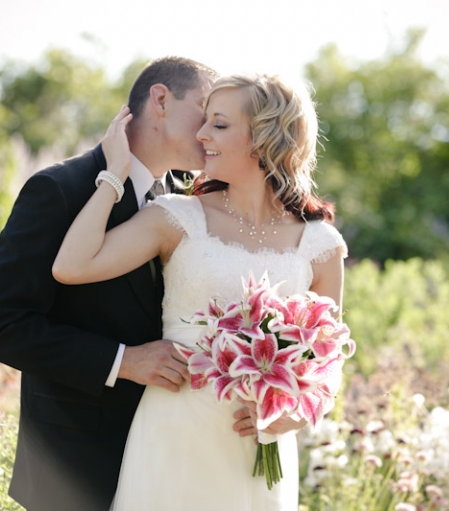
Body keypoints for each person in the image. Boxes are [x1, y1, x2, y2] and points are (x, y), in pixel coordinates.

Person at [53, 74, 348, 510]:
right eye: (205, 121)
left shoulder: (319, 243)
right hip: (173, 429)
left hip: (256, 444)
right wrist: (112, 175)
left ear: (265, 136)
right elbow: (71, 267)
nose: (201, 134)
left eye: (220, 124)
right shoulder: (176, 216)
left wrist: (289, 417)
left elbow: (327, 363)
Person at [0, 56, 218, 511]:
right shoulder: (60, 189)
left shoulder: (189, 204)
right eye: (206, 109)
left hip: (169, 458)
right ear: (160, 99)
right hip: (74, 466)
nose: (210, 131)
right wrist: (124, 362)